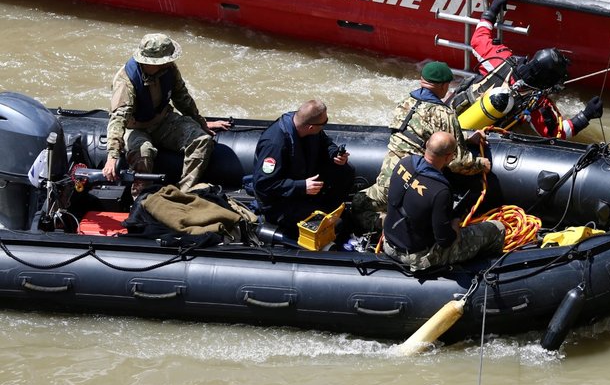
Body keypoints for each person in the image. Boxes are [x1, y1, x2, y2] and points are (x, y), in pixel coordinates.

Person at [353, 61, 491, 234]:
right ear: (442, 86)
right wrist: (481, 164)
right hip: (412, 184)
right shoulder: (444, 114)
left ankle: (386, 222)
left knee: (358, 204)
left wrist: (465, 137)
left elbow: (420, 131)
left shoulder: (406, 103)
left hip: (388, 181)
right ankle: (396, 225)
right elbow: (457, 161)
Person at [453, 0, 603, 137]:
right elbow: (557, 133)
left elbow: (478, 39)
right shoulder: (537, 104)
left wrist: (491, 12)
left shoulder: (501, 59)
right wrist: (587, 115)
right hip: (473, 137)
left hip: (451, 113)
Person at [103, 33, 230, 192]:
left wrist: (200, 122)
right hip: (134, 127)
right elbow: (118, 118)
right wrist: (112, 156)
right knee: (143, 152)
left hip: (162, 120)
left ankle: (182, 193)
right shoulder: (126, 81)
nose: (168, 63)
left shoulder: (168, 69)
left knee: (202, 140)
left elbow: (182, 97)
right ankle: (141, 199)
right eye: (164, 61)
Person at [382, 131, 505, 271]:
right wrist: (456, 221)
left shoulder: (404, 162)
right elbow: (445, 240)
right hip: (416, 256)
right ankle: (486, 271)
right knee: (497, 228)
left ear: (427, 144)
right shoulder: (440, 191)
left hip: (389, 242)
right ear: (449, 157)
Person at [250, 99, 355, 239]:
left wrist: (334, 154)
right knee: (337, 225)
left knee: (346, 170)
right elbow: (264, 184)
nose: (324, 126)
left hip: (303, 187)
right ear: (311, 127)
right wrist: (301, 186)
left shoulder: (307, 126)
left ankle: (328, 209)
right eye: (324, 123)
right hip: (280, 203)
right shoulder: (275, 144)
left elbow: (325, 142)